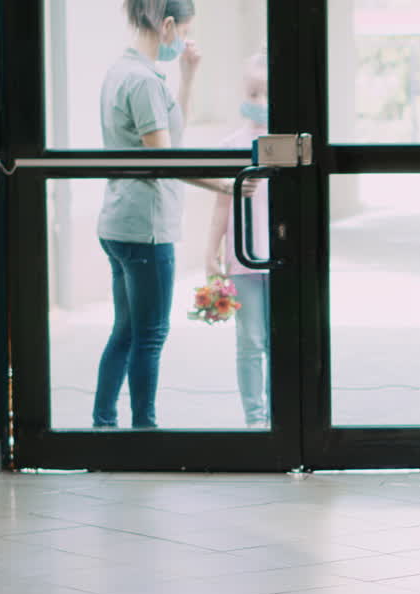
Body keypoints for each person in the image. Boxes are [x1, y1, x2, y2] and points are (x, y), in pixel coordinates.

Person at [93, 0, 253, 428]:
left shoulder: (122, 72)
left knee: (126, 330)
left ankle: (103, 425)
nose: (184, 39)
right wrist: (224, 185)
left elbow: (170, 134)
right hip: (145, 227)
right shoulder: (144, 82)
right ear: (166, 25)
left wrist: (188, 75)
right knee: (150, 335)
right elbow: (165, 161)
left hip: (118, 221)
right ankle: (144, 429)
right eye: (184, 30)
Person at [205, 51, 270, 428]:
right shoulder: (232, 145)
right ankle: (255, 418)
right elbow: (221, 204)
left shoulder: (286, 146)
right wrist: (210, 252)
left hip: (281, 257)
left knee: (279, 341)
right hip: (243, 259)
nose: (258, 101)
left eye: (265, 92)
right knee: (250, 341)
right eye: (252, 92)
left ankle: (279, 416)